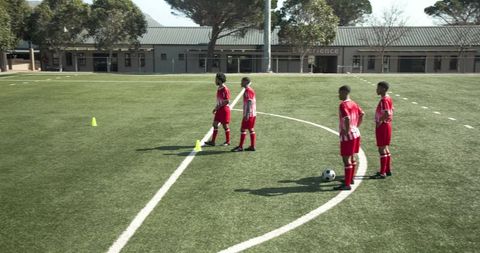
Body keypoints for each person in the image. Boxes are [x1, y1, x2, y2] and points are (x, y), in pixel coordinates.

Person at [334, 85, 364, 191]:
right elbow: (362, 114)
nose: (338, 95)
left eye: (340, 92)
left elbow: (346, 118)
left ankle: (347, 184)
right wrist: (356, 126)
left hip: (348, 136)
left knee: (346, 159)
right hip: (356, 133)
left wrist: (346, 131)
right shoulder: (354, 103)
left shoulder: (343, 105)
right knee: (352, 157)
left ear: (344, 92)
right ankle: (350, 179)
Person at [371, 81, 394, 179]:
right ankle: (387, 170)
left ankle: (382, 173)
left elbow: (387, 113)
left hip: (383, 126)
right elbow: (392, 109)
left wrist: (380, 121)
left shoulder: (384, 100)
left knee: (381, 149)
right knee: (385, 148)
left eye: (378, 88)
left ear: (383, 89)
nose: (377, 90)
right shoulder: (388, 98)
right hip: (387, 125)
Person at [205, 73, 231, 146]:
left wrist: (218, 107)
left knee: (225, 126)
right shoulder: (219, 88)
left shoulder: (225, 89)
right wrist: (216, 108)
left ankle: (228, 141)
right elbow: (220, 100)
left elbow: (227, 101)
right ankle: (213, 142)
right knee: (215, 124)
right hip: (219, 110)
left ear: (219, 80)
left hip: (224, 110)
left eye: (216, 79)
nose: (215, 80)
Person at [231, 77, 256, 152]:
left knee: (243, 129)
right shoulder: (249, 90)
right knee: (251, 129)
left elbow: (249, 102)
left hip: (249, 114)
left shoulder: (248, 90)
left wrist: (247, 114)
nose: (241, 83)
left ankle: (241, 147)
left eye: (242, 81)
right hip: (253, 113)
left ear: (245, 82)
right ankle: (252, 146)